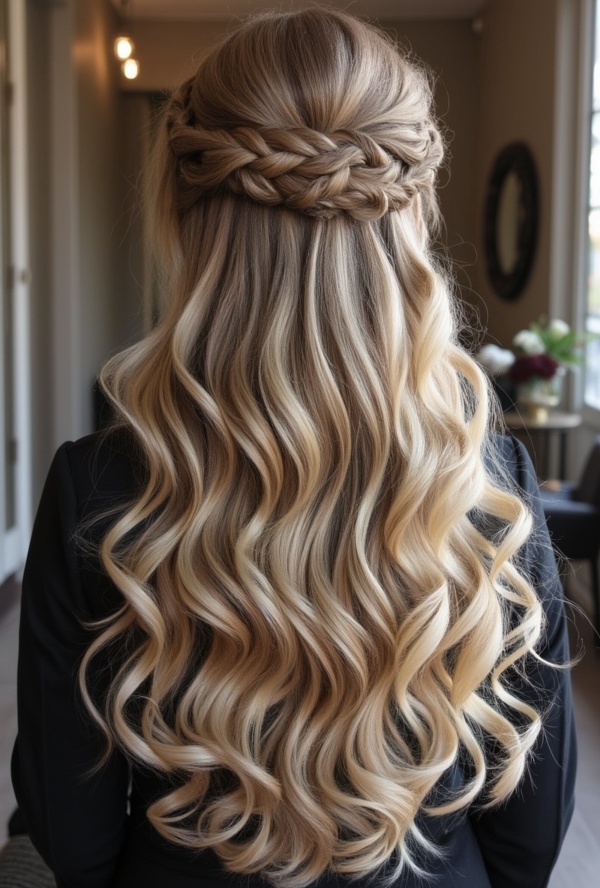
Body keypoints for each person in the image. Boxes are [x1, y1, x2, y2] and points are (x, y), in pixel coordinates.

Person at [12, 9, 575, 888]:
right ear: (411, 216)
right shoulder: (491, 485)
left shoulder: (97, 490)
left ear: (183, 213)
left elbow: (71, 841)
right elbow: (530, 839)